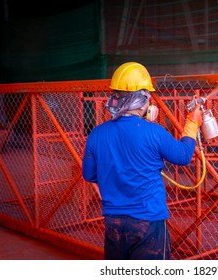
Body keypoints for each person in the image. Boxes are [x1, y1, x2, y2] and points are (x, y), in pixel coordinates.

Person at [82, 62, 203, 260]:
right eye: (148, 97)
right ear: (140, 100)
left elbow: (89, 174)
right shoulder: (153, 132)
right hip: (149, 220)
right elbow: (183, 156)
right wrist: (192, 122)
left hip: (114, 221)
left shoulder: (97, 133)